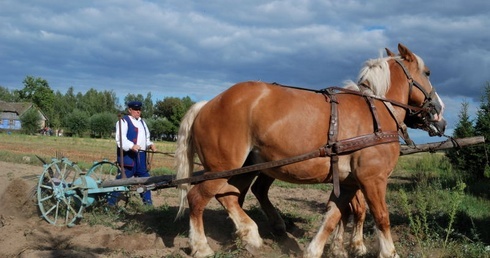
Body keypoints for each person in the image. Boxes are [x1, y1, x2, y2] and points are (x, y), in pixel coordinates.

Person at [108, 101, 156, 206]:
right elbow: (121, 140)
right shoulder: (123, 121)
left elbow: (146, 139)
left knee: (145, 180)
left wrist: (150, 144)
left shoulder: (142, 122)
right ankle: (110, 203)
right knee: (121, 182)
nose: (138, 111)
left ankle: (148, 204)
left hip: (141, 158)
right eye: (135, 109)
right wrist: (131, 146)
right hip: (129, 158)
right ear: (130, 110)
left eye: (139, 110)